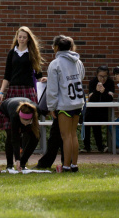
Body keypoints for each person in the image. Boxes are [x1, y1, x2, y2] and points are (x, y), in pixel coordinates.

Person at [0, 25, 42, 171]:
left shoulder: (32, 53)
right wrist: (1, 92)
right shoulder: (12, 53)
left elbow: (38, 73)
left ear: (28, 39)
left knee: (28, 127)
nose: (21, 39)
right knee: (11, 130)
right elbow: (7, 75)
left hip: (28, 91)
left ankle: (22, 162)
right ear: (17, 37)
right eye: (19, 37)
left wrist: (43, 80)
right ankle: (10, 164)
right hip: (13, 91)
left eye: (24, 37)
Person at [45, 34, 85, 172]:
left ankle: (66, 166)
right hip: (78, 102)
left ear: (56, 47)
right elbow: (81, 76)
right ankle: (74, 164)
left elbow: (52, 89)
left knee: (66, 136)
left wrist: (51, 106)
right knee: (73, 134)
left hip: (64, 104)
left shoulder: (55, 64)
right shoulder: (78, 62)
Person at [0, 98, 40, 171]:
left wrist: (21, 161)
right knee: (10, 135)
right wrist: (17, 159)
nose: (25, 124)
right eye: (23, 121)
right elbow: (15, 139)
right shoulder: (14, 115)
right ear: (19, 116)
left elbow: (36, 136)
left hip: (22, 107)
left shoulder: (36, 111)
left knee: (36, 137)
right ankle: (9, 165)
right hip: (5, 110)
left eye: (28, 121)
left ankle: (23, 163)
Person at [83, 66, 115, 153]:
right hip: (93, 111)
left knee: (96, 120)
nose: (103, 79)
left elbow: (110, 99)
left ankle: (100, 146)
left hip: (104, 111)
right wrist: (97, 91)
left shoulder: (110, 83)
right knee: (86, 119)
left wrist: (104, 91)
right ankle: (86, 146)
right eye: (100, 76)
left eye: (105, 76)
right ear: (97, 75)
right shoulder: (93, 82)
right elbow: (91, 99)